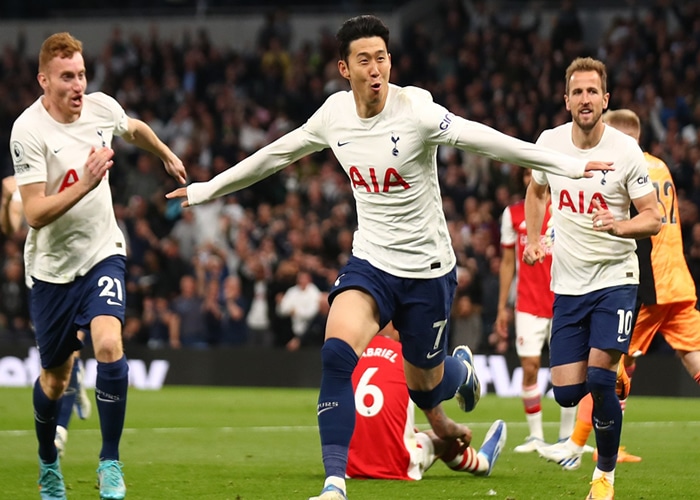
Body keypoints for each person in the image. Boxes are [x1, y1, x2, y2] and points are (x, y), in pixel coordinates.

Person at [167, 16, 612, 500]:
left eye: (381, 58)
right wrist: (207, 189)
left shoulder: (416, 110)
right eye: (364, 60)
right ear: (344, 68)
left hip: (427, 272)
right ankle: (334, 484)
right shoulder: (334, 115)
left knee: (426, 387)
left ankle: (460, 372)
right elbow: (276, 154)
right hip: (372, 262)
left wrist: (568, 165)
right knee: (336, 355)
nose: (375, 68)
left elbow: (486, 140)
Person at [11, 32, 186, 500]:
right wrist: (86, 184)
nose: (78, 86)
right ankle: (48, 462)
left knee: (108, 344)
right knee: (55, 380)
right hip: (51, 269)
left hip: (102, 252)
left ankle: (110, 461)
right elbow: (34, 214)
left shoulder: (100, 108)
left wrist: (165, 153)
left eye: (82, 75)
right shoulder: (28, 131)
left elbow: (133, 128)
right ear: (44, 80)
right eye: (67, 77)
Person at [523, 59, 661, 500]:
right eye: (577, 92)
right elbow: (536, 190)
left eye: (592, 92)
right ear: (566, 100)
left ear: (605, 99)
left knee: (600, 381)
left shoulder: (625, 151)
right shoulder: (549, 143)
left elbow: (653, 217)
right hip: (568, 283)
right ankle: (610, 376)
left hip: (616, 277)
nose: (585, 99)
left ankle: (604, 477)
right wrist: (533, 238)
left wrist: (620, 226)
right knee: (566, 393)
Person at [539, 108, 700, 471]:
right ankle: (582, 442)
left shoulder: (619, 168)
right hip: (678, 279)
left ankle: (578, 445)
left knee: (605, 369)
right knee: (694, 354)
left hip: (647, 283)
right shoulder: (660, 166)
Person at [1, 175, 92, 457]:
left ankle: (60, 431)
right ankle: (76, 380)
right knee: (55, 361)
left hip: (79, 269)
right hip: (42, 280)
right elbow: (9, 227)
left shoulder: (70, 168)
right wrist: (6, 199)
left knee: (70, 350)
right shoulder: (24, 184)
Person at [347, 322, 506, 480]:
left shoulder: (348, 355)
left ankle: (463, 372)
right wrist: (460, 431)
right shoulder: (407, 357)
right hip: (397, 465)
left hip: (346, 468)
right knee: (444, 438)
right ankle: (482, 462)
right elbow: (442, 428)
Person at [495, 168, 577, 452]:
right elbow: (507, 263)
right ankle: (535, 436)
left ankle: (567, 437)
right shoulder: (512, 214)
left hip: (564, 300)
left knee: (568, 371)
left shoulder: (565, 209)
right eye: (527, 173)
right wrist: (502, 307)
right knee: (530, 367)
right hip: (528, 303)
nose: (531, 178)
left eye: (536, 172)